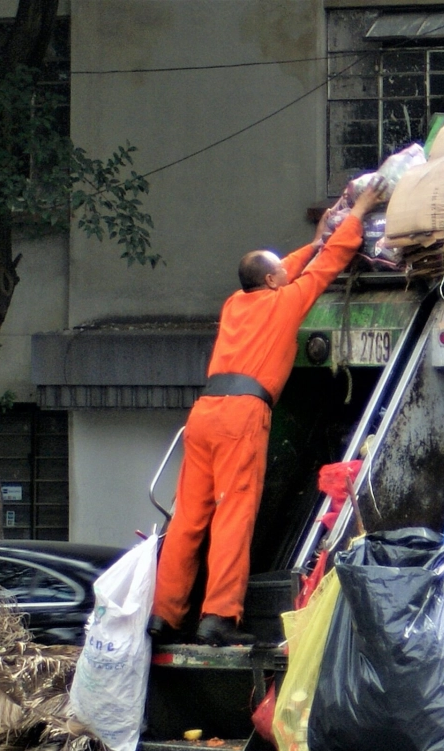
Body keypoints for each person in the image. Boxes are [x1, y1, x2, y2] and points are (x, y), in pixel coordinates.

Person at [150, 181, 386, 647]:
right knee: (232, 516)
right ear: (276, 281)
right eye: (282, 271)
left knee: (188, 520)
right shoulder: (286, 302)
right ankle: (219, 617)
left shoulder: (236, 304)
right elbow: (331, 262)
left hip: (203, 414)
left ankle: (163, 615)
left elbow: (298, 264)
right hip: (242, 416)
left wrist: (314, 239)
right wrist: (359, 210)